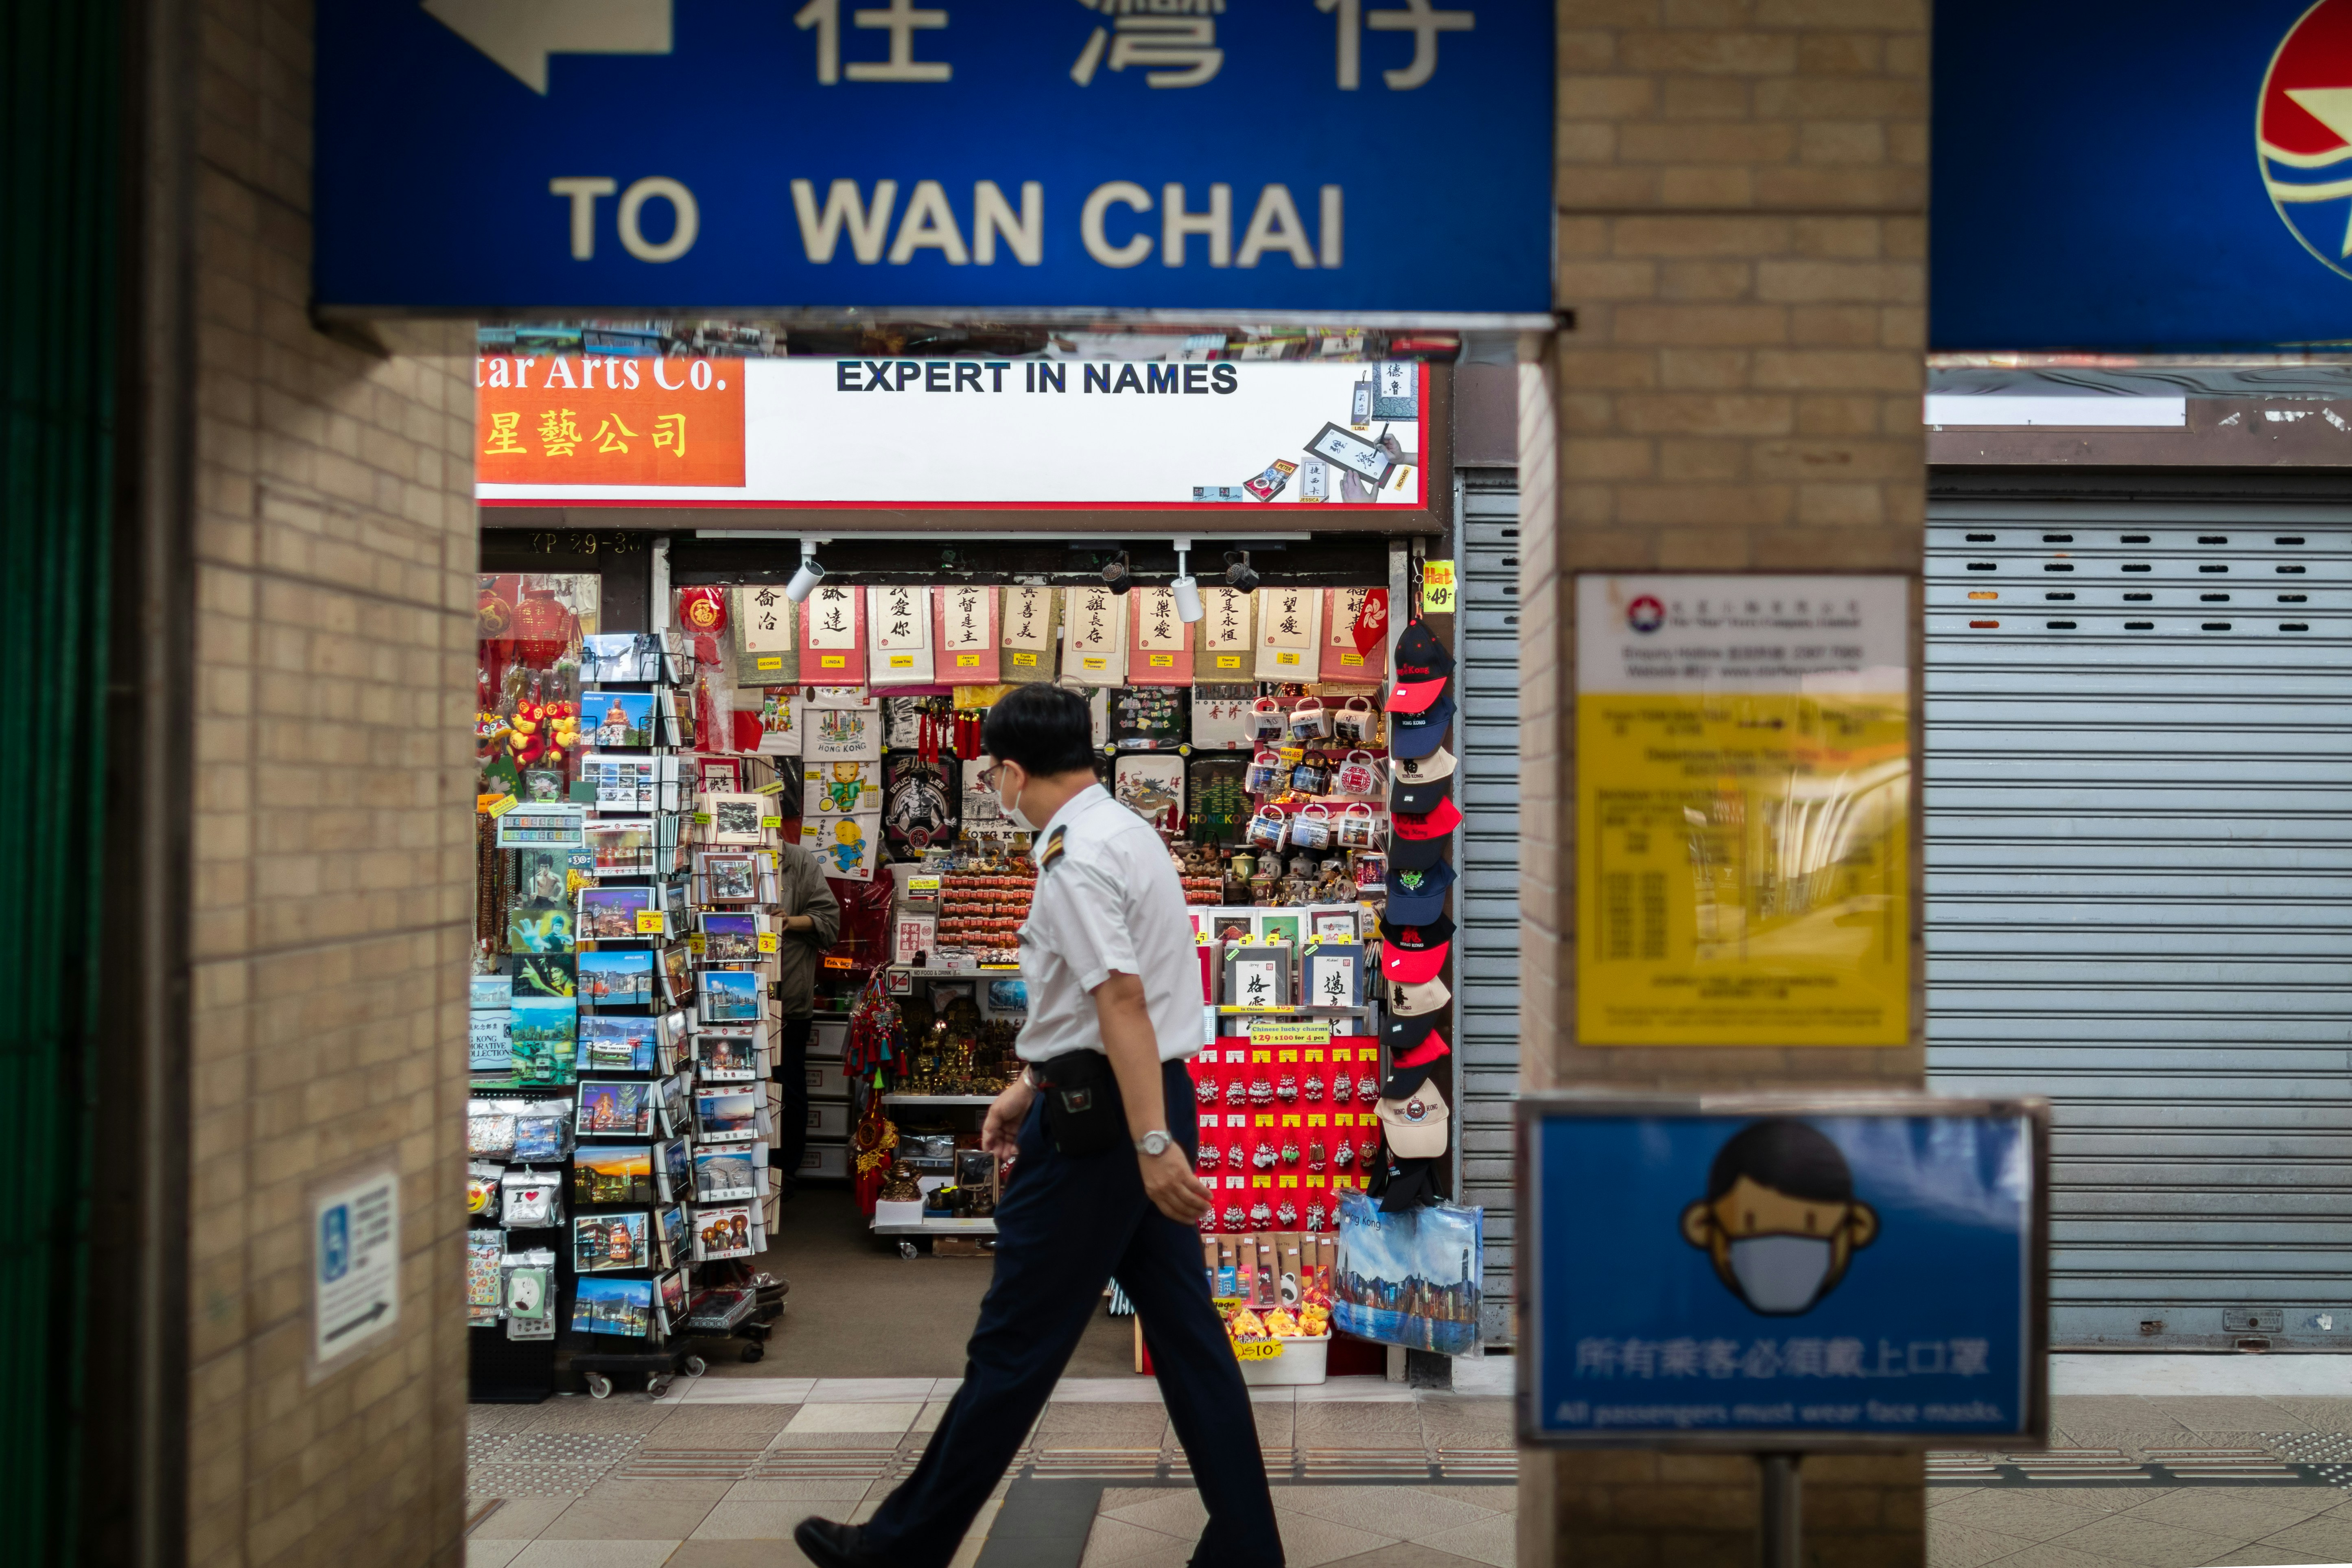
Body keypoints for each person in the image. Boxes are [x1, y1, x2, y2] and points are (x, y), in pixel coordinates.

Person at [795, 684, 1283, 1568]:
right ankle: (1248, 1545)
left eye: (992, 773)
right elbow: (1101, 1005)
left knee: (1014, 1342)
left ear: (1014, 770)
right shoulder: (1126, 832)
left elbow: (1121, 999)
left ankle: (902, 1547)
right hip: (1137, 1095)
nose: (992, 787)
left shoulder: (1074, 858)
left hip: (1108, 1129)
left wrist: (1148, 1146)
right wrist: (1032, 1080)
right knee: (1186, 1336)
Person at [773, 829, 842, 1199]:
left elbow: (829, 922)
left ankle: (786, 1171)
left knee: (788, 1087)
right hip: (729, 1002)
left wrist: (790, 921)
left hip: (789, 1000)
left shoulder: (798, 860)